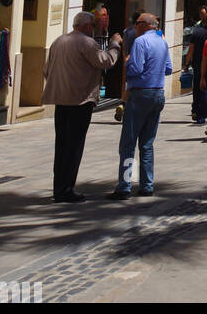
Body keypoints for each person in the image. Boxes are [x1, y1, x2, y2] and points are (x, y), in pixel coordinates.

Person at [42, 12, 122, 203]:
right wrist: (114, 45)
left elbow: (46, 70)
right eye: (92, 25)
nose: (93, 28)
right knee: (74, 146)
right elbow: (105, 61)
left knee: (61, 145)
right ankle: (66, 189)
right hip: (80, 101)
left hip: (61, 101)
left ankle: (59, 187)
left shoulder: (58, 41)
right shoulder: (86, 43)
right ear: (86, 26)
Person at [111, 13, 172, 199]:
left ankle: (124, 186)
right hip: (158, 93)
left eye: (137, 23)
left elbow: (136, 69)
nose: (135, 27)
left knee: (128, 143)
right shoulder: (162, 41)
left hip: (140, 93)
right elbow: (168, 68)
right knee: (147, 143)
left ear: (145, 25)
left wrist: (128, 63)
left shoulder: (140, 42)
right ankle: (147, 184)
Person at [184, 6, 207, 126]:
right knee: (206, 89)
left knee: (197, 88)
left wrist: (186, 64)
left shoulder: (197, 32)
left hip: (197, 64)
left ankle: (196, 110)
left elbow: (190, 50)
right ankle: (201, 113)